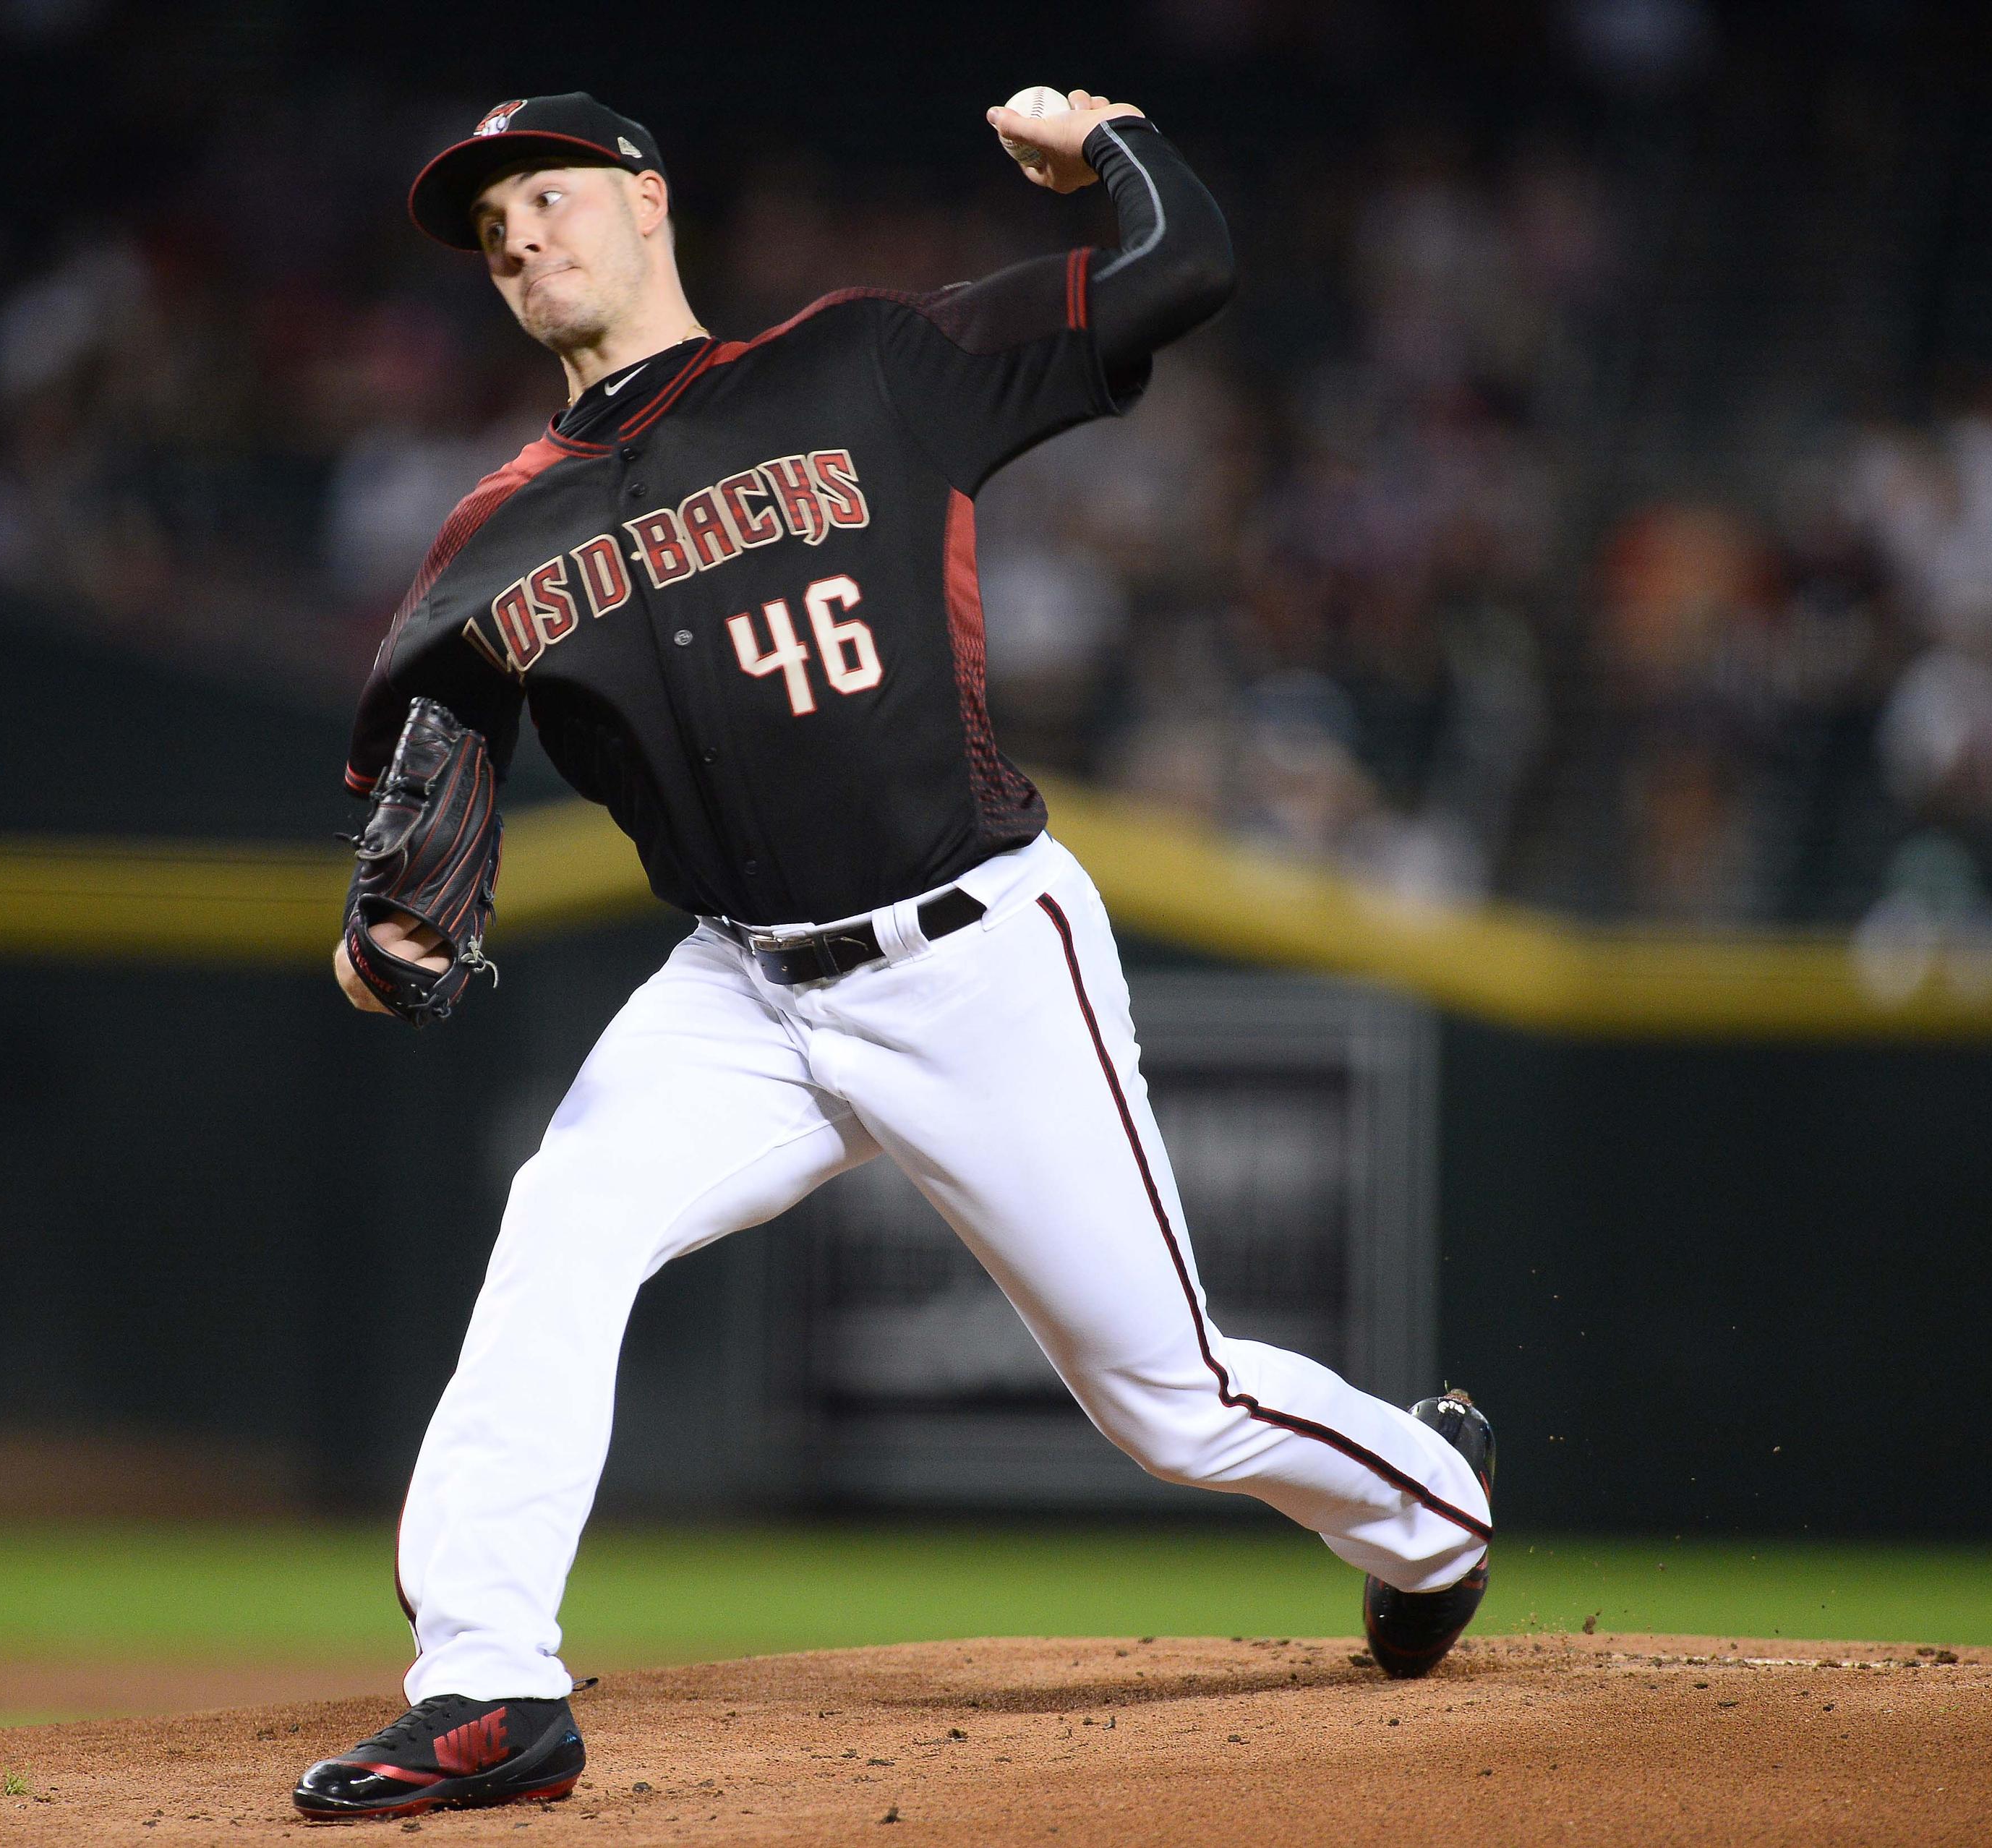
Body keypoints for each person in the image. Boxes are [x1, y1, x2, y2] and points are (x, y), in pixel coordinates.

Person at [296, 89, 1496, 1821]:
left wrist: (1114, 142)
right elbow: (421, 798)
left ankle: (1431, 1508)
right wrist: (392, 934)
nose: (520, 236)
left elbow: (1184, 270)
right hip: (740, 987)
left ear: (648, 200)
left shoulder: (862, 365)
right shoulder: (492, 536)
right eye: (492, 229)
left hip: (976, 952)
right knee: (562, 1220)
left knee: (1173, 1403)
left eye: (549, 196)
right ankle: (489, 1685)